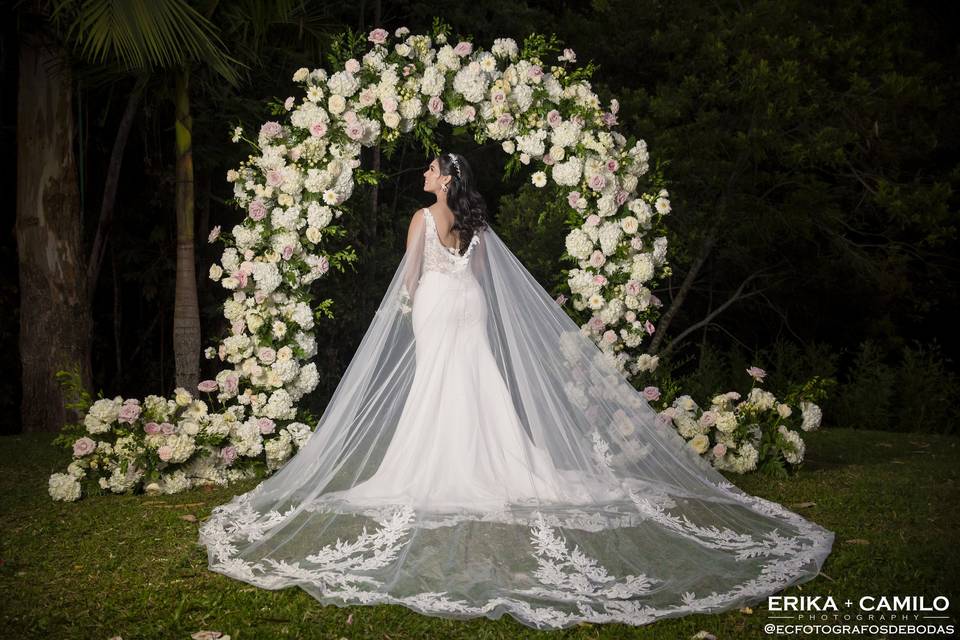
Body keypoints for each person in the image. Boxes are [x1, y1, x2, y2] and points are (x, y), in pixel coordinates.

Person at [199, 152, 834, 630]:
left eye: (430, 170)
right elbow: (476, 275)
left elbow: (411, 279)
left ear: (444, 180)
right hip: (467, 304)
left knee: (439, 381)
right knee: (476, 375)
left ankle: (444, 462)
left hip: (436, 305)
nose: (423, 175)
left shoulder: (422, 218)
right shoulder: (473, 225)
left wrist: (407, 313)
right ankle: (501, 459)